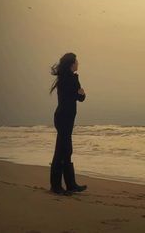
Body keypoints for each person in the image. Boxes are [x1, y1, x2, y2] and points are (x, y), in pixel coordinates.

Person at [49, 52, 87, 195]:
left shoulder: (69, 78)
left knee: (63, 150)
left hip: (65, 118)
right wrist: (81, 93)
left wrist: (81, 94)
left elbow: (80, 97)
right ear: (72, 64)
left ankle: (68, 185)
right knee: (64, 151)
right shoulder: (68, 79)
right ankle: (59, 186)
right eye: (76, 61)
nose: (78, 64)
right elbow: (78, 96)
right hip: (64, 118)